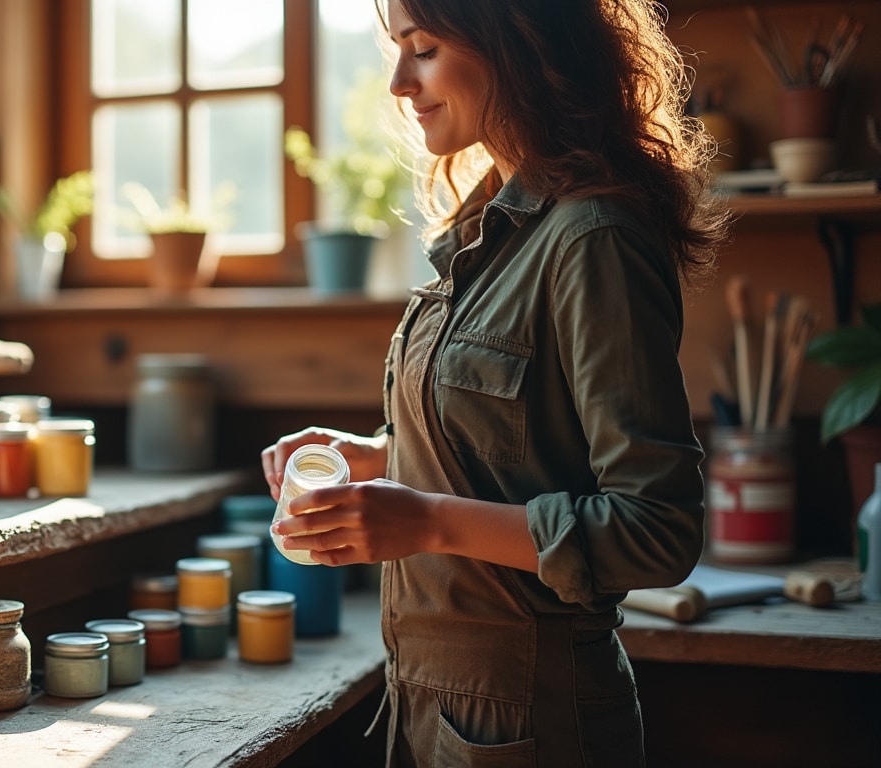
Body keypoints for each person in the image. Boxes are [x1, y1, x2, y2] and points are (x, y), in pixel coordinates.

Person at [261, 1, 730, 765]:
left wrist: (428, 521)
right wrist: (380, 457)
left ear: (516, 42)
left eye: (425, 48)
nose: (398, 84)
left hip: (535, 717)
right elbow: (510, 447)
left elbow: (658, 531)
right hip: (425, 699)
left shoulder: (593, 237)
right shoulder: (486, 231)